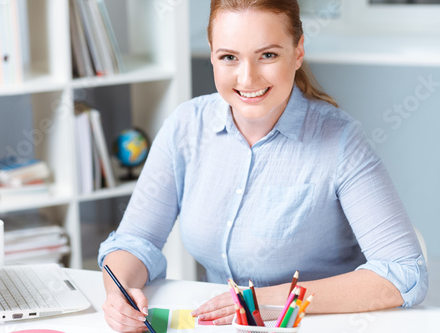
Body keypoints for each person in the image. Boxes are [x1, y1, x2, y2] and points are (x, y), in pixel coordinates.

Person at [98, 0, 428, 331]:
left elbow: (404, 273)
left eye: (267, 55)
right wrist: (119, 293)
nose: (247, 78)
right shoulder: (186, 127)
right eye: (229, 57)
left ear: (298, 51)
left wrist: (262, 301)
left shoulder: (341, 142)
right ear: (213, 55)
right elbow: (134, 241)